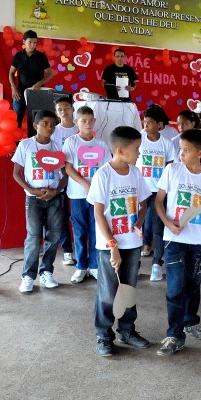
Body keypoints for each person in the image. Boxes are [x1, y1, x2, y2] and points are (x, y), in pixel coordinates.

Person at [87, 126, 151, 357]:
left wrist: (139, 222)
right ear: (121, 150)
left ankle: (127, 330)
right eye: (136, 149)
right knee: (108, 292)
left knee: (128, 289)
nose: (139, 154)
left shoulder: (135, 172)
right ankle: (104, 335)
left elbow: (144, 203)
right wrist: (113, 246)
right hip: (109, 246)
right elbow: (98, 214)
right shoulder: (103, 175)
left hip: (132, 243)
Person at [155, 129, 201, 356]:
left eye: (186, 150)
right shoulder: (172, 170)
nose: (181, 154)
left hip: (198, 242)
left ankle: (191, 321)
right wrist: (169, 224)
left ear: (200, 153)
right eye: (180, 149)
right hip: (174, 240)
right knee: (175, 288)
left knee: (193, 284)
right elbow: (159, 201)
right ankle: (174, 334)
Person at [12, 110, 67, 293]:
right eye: (45, 123)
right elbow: (17, 173)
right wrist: (32, 190)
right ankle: (28, 275)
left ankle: (47, 272)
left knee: (53, 236)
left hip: (55, 197)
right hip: (33, 198)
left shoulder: (59, 147)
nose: (49, 127)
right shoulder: (26, 145)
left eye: (53, 124)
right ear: (35, 125)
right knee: (34, 237)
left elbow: (65, 174)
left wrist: (56, 191)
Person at [63, 106, 113, 283]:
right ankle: (81, 267)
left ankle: (94, 266)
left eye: (91, 120)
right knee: (79, 230)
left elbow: (107, 169)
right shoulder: (71, 142)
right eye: (83, 120)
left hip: (97, 195)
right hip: (77, 195)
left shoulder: (101, 144)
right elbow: (68, 168)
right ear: (76, 122)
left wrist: (97, 188)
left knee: (96, 229)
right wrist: (85, 184)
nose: (87, 123)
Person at [136, 106, 176, 280]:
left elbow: (170, 168)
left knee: (158, 228)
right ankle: (132, 265)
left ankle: (156, 264)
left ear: (160, 125)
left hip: (158, 192)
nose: (146, 125)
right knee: (135, 225)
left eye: (150, 122)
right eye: (145, 122)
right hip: (138, 190)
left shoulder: (167, 144)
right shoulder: (138, 138)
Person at [9, 30, 53, 129]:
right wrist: (13, 87)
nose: (32, 45)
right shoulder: (18, 56)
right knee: (17, 118)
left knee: (37, 119)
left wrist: (39, 83)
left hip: (37, 92)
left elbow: (50, 74)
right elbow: (11, 73)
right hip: (20, 92)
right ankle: (17, 143)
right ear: (24, 42)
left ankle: (35, 141)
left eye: (35, 43)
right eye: (30, 42)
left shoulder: (41, 56)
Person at [52, 97, 78, 266]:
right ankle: (67, 251)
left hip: (78, 177)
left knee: (76, 216)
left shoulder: (80, 128)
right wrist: (61, 168)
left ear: (72, 109)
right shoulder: (53, 131)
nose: (64, 111)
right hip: (59, 177)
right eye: (60, 109)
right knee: (61, 215)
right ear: (56, 113)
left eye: (66, 107)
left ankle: (82, 249)